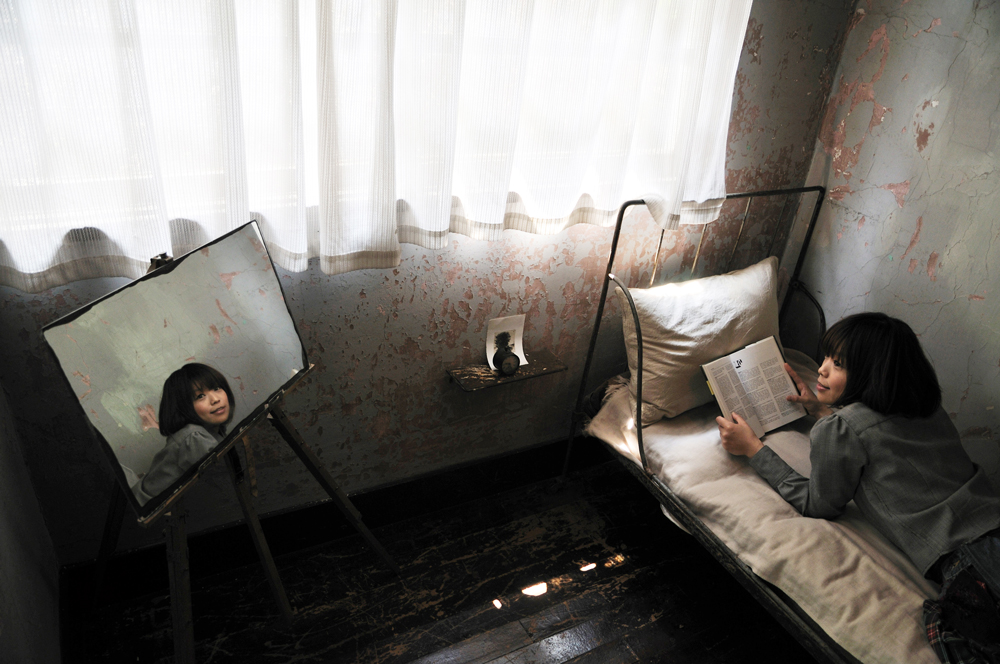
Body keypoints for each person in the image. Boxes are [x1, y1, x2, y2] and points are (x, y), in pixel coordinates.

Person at [716, 312, 1000, 662]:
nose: (821, 370)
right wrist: (824, 410)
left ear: (871, 374)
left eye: (838, 364)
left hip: (969, 558)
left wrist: (753, 449)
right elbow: (877, 437)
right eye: (826, 357)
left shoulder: (841, 430)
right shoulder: (926, 407)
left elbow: (818, 504)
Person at [133, 363, 235, 505]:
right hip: (148, 512)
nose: (215, 399)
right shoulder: (193, 436)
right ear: (183, 407)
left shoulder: (211, 431)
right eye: (200, 396)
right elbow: (222, 488)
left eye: (217, 388)